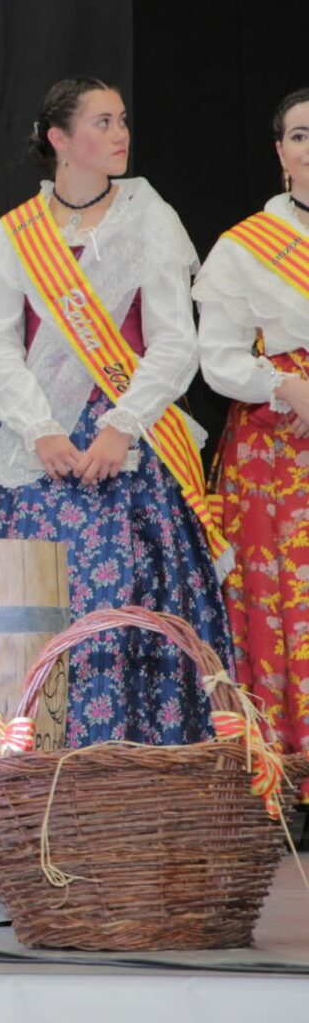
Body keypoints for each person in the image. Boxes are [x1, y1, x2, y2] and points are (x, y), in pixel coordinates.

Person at [0, 79, 232, 745]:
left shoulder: (150, 217)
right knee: (29, 606)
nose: (120, 134)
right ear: (59, 139)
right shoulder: (15, 236)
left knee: (132, 604)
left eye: (122, 120)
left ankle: (139, 775)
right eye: (103, 122)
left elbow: (174, 341)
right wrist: (41, 430)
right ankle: (29, 770)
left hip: (127, 446)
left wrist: (119, 426)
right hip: (35, 448)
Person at [196, 87, 309, 753]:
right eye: (299, 135)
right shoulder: (246, 248)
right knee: (284, 610)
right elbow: (217, 362)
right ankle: (290, 770)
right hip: (278, 455)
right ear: (280, 153)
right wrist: (287, 386)